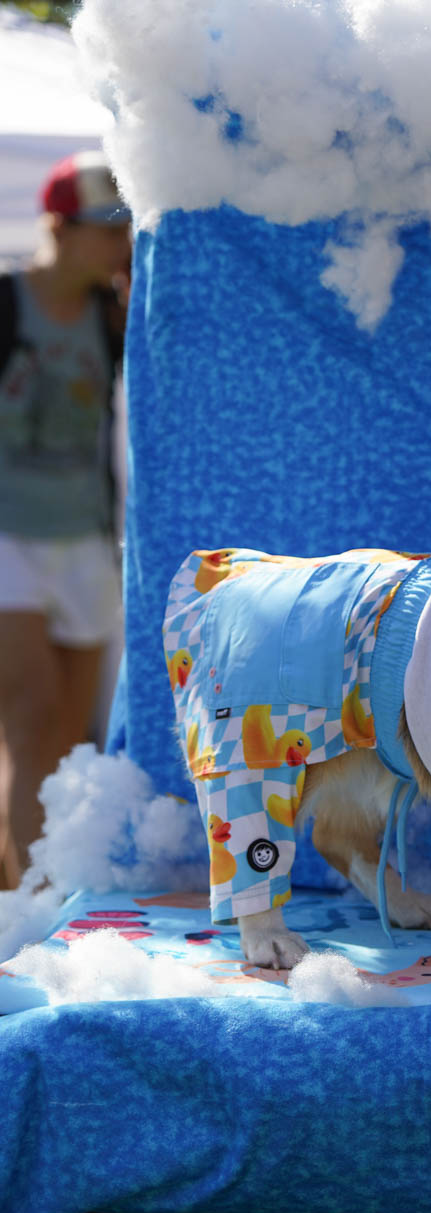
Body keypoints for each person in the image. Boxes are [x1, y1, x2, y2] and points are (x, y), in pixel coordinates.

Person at [0, 151, 131, 886]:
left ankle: (18, 881)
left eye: (124, 228)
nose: (118, 243)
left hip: (84, 539)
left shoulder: (110, 318)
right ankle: (27, 916)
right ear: (59, 226)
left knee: (65, 738)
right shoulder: (5, 301)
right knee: (29, 711)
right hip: (7, 537)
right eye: (104, 228)